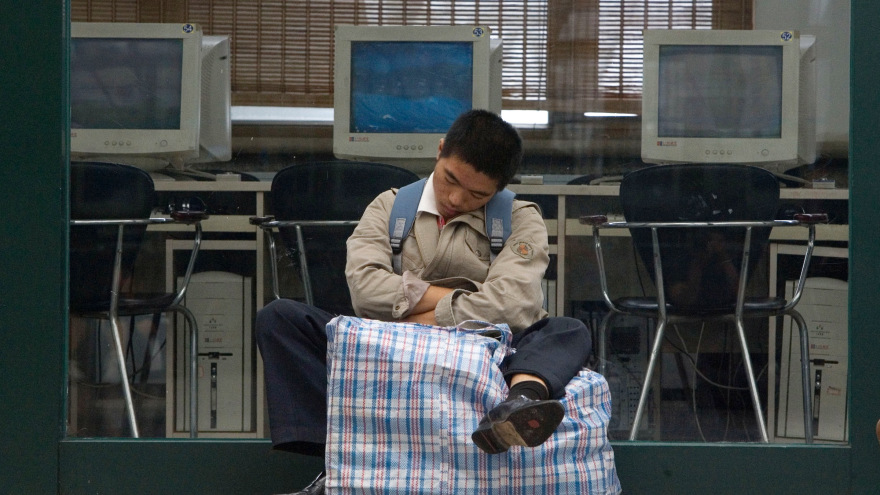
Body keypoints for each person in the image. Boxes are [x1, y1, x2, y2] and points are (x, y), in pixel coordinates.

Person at [256, 109, 592, 494]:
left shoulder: (520, 219)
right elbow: (365, 291)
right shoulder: (390, 207)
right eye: (451, 179)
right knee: (280, 317)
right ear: (439, 150)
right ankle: (337, 460)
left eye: (477, 194)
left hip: (483, 348)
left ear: (499, 189)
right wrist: (456, 303)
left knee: (566, 329)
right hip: (393, 345)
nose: (455, 197)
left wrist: (423, 315)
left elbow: (513, 306)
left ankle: (518, 406)